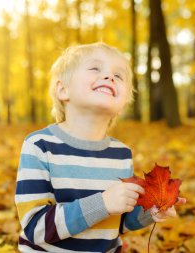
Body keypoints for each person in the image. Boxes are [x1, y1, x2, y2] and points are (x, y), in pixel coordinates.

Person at [15, 42, 185, 252]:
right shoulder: (40, 146)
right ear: (63, 89)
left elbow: (119, 223)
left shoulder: (121, 154)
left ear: (123, 103)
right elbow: (35, 228)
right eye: (95, 68)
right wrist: (102, 203)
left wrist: (151, 211)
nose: (109, 77)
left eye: (119, 76)